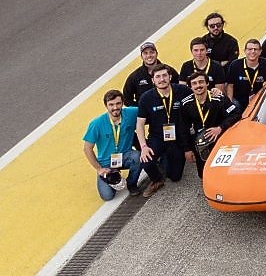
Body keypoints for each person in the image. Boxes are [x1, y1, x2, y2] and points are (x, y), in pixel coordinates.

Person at [134, 64, 193, 197]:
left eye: (164, 75)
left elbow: (200, 95)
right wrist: (144, 147)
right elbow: (140, 124)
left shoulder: (183, 91)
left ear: (170, 77)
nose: (162, 79)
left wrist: (214, 91)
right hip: (157, 137)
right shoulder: (146, 98)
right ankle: (157, 180)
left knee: (175, 177)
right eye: (158, 77)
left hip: (178, 137)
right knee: (146, 162)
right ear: (153, 80)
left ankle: (165, 159)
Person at [178, 72, 240, 177]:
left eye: (201, 82)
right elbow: (183, 128)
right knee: (203, 174)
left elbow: (236, 113)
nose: (198, 85)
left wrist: (220, 128)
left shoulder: (219, 98)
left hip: (219, 138)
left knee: (222, 172)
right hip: (200, 141)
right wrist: (187, 149)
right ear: (190, 87)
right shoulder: (185, 104)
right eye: (194, 83)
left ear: (207, 83)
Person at [83, 89, 142, 200]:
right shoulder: (96, 124)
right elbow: (87, 149)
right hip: (106, 163)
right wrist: (99, 169)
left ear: (123, 103)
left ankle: (131, 183)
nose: (115, 107)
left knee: (138, 156)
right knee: (107, 196)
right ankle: (113, 176)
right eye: (111, 104)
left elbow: (147, 107)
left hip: (125, 157)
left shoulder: (131, 113)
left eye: (118, 103)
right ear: (106, 105)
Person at [226, 39, 266, 110]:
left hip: (261, 101)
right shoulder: (235, 65)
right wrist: (230, 104)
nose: (253, 51)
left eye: (255, 49)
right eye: (250, 49)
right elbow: (230, 86)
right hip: (239, 102)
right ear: (245, 51)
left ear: (260, 52)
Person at [122, 41, 162, 107]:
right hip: (146, 113)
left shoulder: (169, 71)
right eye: (145, 53)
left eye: (152, 52)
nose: (149, 56)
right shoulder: (135, 76)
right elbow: (126, 99)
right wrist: (140, 108)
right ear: (141, 56)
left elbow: (178, 89)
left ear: (157, 54)